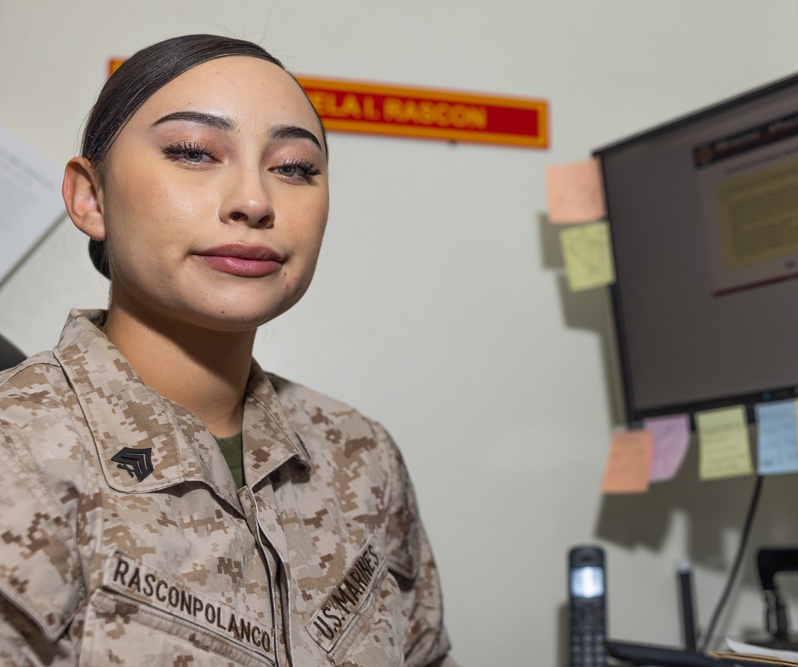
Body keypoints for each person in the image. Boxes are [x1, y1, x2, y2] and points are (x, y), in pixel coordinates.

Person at [0, 34, 456, 666]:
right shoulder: (18, 453)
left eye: (294, 168)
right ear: (90, 198)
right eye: (192, 152)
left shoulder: (360, 454)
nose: (254, 200)